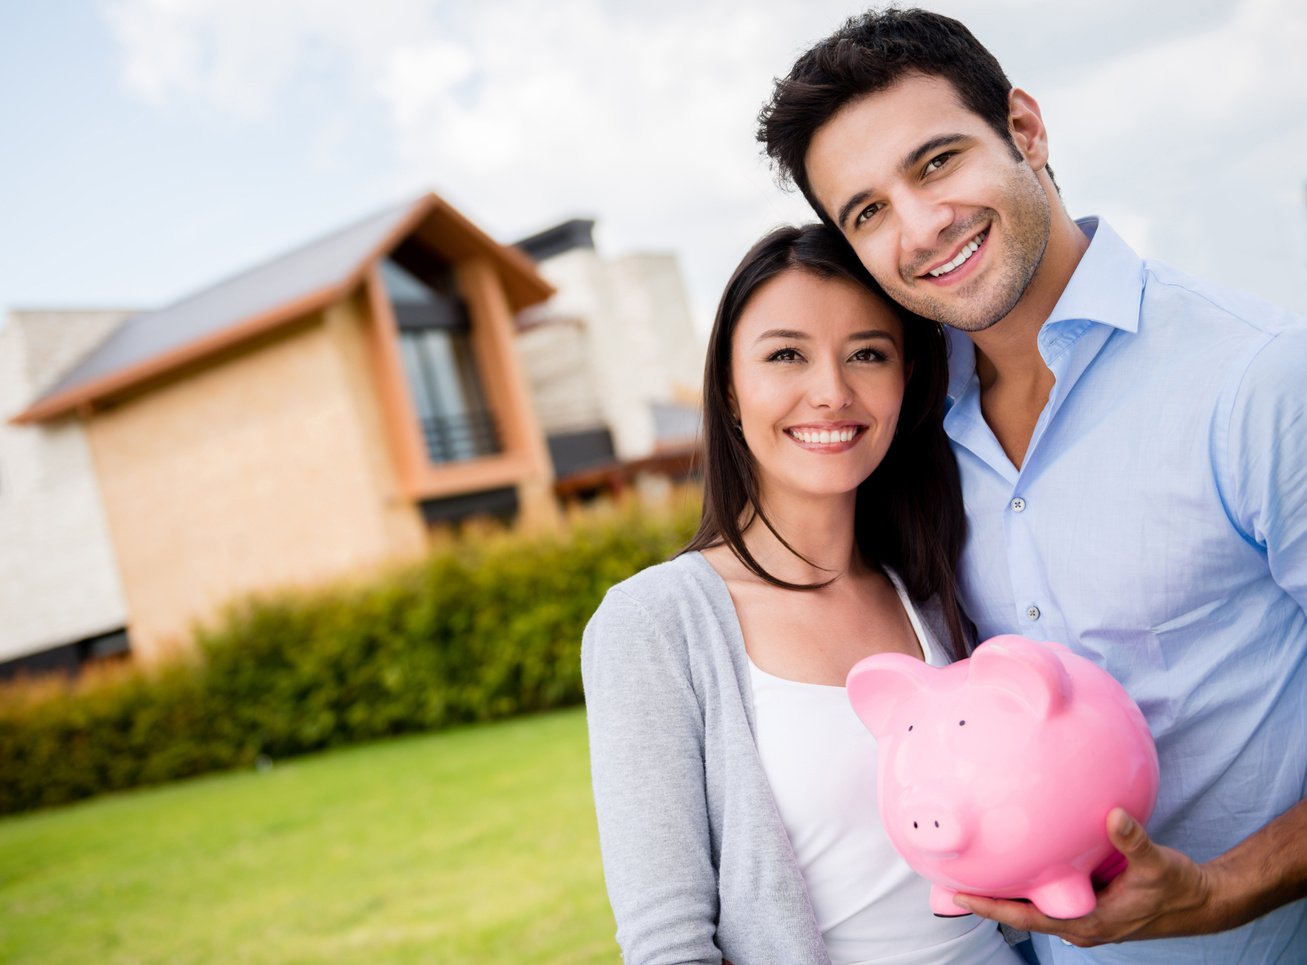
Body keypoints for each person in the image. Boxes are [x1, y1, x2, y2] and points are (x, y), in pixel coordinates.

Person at [757, 8, 1307, 964]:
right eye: (867, 211)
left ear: (1025, 128)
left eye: (935, 163)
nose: (921, 227)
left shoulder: (1256, 379)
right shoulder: (902, 434)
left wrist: (1218, 889)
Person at [582, 224, 1021, 963]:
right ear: (727, 383)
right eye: (786, 354)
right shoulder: (654, 622)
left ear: (905, 377)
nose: (831, 391)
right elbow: (669, 943)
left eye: (867, 354)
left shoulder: (936, 582)